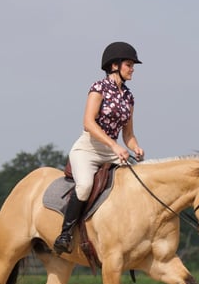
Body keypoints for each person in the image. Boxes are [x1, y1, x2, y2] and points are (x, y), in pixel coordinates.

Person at [53, 41, 145, 255]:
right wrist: (115, 146)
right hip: (88, 149)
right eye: (129, 64)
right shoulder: (98, 88)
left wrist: (136, 147)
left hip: (111, 151)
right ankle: (65, 234)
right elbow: (88, 122)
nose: (132, 69)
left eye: (133, 65)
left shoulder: (129, 97)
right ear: (114, 65)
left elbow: (128, 134)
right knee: (84, 186)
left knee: (136, 181)